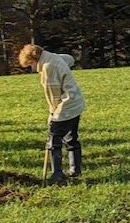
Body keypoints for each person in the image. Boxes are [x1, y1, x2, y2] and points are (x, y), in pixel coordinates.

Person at [18, 44, 84, 184]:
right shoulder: (53, 57)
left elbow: (53, 97)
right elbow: (69, 59)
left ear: (35, 59)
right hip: (76, 103)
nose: (32, 68)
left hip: (66, 105)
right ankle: (75, 171)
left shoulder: (48, 68)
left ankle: (57, 175)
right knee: (71, 138)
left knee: (53, 140)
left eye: (31, 64)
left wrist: (53, 115)